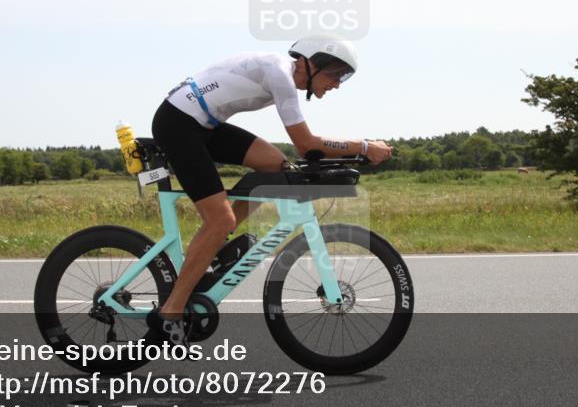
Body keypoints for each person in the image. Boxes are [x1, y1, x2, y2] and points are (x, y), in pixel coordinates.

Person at [147, 34, 393, 345]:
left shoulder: (281, 73)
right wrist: (364, 146)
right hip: (179, 124)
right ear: (312, 64)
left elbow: (303, 150)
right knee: (218, 219)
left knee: (275, 166)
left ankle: (215, 245)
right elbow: (306, 145)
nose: (337, 84)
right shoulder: (280, 75)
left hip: (204, 124)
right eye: (335, 74)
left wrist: (357, 151)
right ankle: (171, 311)